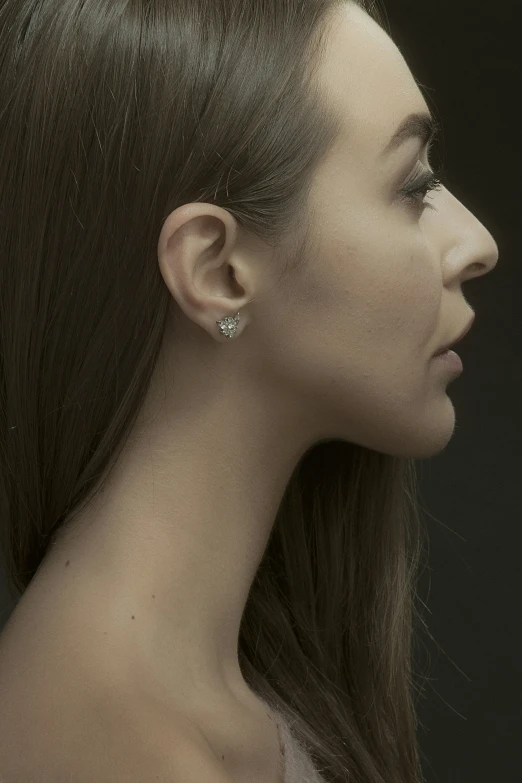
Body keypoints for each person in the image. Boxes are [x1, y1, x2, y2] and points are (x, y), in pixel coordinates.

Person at [0, 0, 498, 781]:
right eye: (414, 185)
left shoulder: (212, 688)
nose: (478, 243)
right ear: (218, 272)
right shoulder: (106, 737)